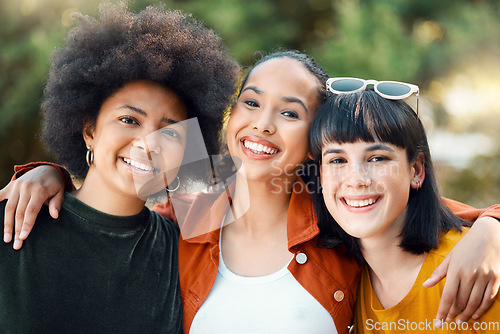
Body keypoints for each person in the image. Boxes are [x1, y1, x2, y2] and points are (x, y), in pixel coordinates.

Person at [3, 52, 500, 333]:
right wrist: (49, 173)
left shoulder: (334, 212)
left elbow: (432, 212)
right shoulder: (196, 194)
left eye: (289, 113)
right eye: (251, 102)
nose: (262, 125)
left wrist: (490, 229)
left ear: (315, 143)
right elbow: (117, 176)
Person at [0, 2, 239, 333]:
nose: (148, 143)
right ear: (89, 131)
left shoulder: (186, 255)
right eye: (129, 119)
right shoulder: (15, 221)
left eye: (170, 131)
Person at [309, 80, 500, 333]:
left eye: (377, 158)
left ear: (416, 171)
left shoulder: (478, 273)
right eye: (337, 160)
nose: (356, 179)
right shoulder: (345, 285)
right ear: (321, 176)